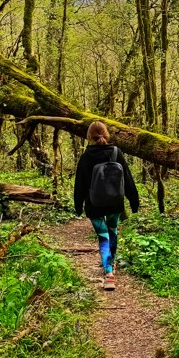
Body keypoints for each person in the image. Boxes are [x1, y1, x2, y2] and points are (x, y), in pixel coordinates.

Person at [74, 121, 139, 290]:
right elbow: (128, 179)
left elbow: (80, 184)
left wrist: (78, 205)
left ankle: (108, 272)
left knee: (103, 236)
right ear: (106, 134)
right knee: (112, 232)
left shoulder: (86, 156)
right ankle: (111, 264)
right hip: (114, 203)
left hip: (94, 205)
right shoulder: (116, 153)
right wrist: (134, 200)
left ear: (89, 136)